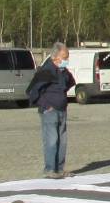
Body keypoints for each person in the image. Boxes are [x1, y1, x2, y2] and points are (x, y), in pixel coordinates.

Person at [27, 41, 75, 179]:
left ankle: (59, 169)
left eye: (67, 57)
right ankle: (49, 169)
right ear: (55, 57)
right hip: (49, 111)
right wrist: (46, 106)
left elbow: (70, 82)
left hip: (62, 109)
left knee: (62, 141)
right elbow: (32, 91)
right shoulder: (46, 70)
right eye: (64, 57)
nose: (67, 60)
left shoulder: (63, 71)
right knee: (52, 140)